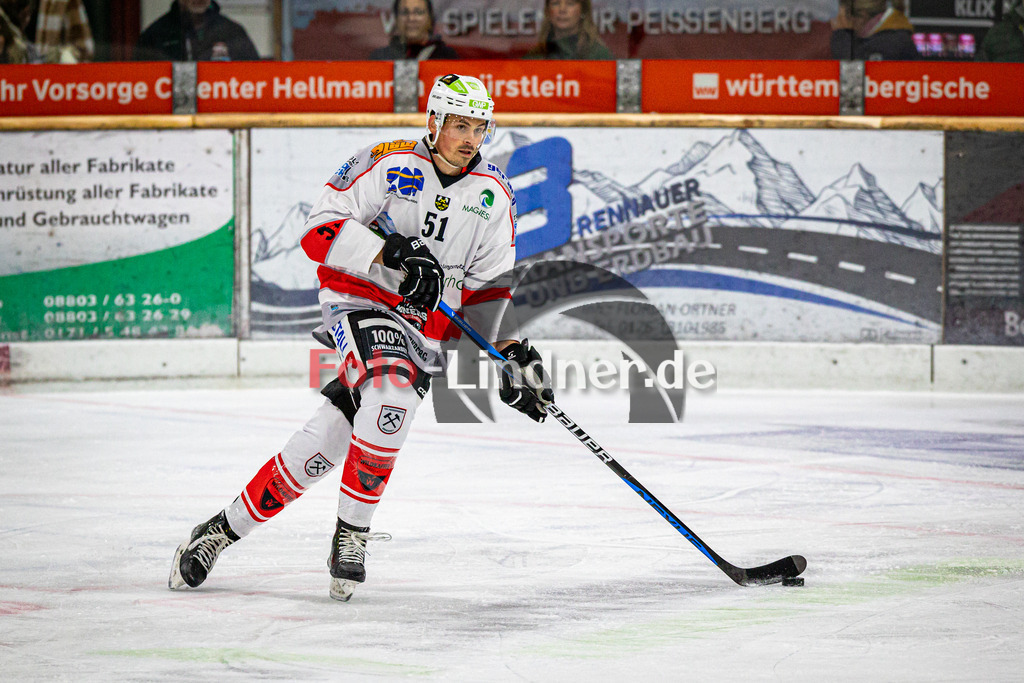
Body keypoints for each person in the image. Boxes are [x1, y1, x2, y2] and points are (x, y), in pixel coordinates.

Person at [168, 74, 554, 602]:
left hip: (423, 330)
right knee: (390, 391)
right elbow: (318, 229)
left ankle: (216, 531)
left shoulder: (493, 196)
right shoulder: (386, 162)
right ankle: (351, 536)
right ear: (434, 122)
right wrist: (389, 251)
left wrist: (510, 355)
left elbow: (487, 292)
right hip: (359, 301)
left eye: (479, 127)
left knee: (319, 450)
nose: (470, 137)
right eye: (459, 125)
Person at [134, 0, 259, 61]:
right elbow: (139, 84)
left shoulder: (232, 31)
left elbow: (255, 79)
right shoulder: (156, 34)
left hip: (220, 108)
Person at [0, 0, 94, 63]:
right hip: (10, 83)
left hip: (49, 84)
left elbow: (84, 49)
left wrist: (61, 56)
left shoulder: (61, 2)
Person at [830, 0, 919, 60]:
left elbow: (853, 73)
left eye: (845, 16)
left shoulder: (891, 42)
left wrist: (843, 32)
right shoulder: (894, 34)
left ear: (861, 16)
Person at [369, 0, 457, 60]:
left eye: (418, 12)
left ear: (430, 19)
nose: (411, 18)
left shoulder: (448, 57)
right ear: (396, 20)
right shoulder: (379, 57)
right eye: (405, 12)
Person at [524, 0, 613, 60]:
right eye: (556, 3)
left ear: (583, 10)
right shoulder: (535, 56)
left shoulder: (598, 55)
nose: (562, 10)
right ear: (547, 11)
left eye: (570, 3)